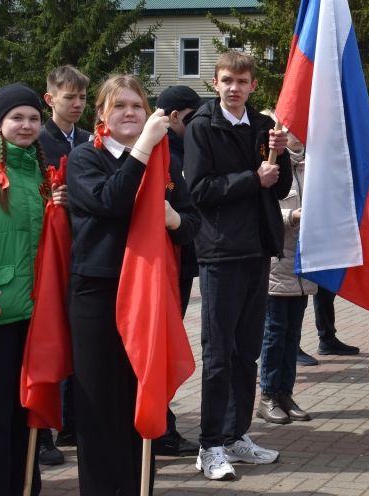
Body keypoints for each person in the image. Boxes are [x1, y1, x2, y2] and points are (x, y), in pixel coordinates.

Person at [67, 75, 199, 494]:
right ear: (101, 114)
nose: (129, 113)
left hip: (149, 294)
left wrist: (175, 220)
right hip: (99, 291)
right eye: (119, 106)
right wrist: (143, 147)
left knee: (139, 396)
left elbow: (192, 221)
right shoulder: (86, 159)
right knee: (99, 403)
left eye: (137, 106)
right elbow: (111, 199)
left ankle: (137, 485)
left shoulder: (165, 162)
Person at [184, 51, 292, 480]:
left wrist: (279, 158)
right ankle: (209, 445)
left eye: (242, 81)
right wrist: (253, 178)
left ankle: (235, 435)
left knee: (247, 352)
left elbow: (279, 188)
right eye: (227, 80)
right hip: (219, 252)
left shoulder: (264, 127)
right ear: (215, 83)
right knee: (219, 354)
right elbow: (199, 190)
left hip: (256, 249)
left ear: (253, 86)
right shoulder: (201, 127)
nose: (234, 87)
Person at [0, 83, 61, 496]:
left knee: (22, 419)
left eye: (34, 118)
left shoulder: (38, 168)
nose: (27, 125)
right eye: (17, 117)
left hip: (31, 315)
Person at [37, 65, 91, 463]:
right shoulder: (38, 140)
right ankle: (41, 433)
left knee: (76, 336)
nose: (76, 104)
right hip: (48, 250)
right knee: (48, 336)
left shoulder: (90, 140)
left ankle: (74, 421)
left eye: (82, 97)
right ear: (49, 98)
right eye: (69, 97)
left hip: (83, 249)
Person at [152, 84, 202, 457]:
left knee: (167, 346)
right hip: (156, 268)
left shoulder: (183, 148)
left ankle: (162, 424)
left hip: (180, 262)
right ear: (173, 117)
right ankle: (159, 428)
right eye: (191, 117)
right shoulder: (158, 149)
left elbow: (187, 212)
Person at [256, 121, 314, 426]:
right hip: (279, 262)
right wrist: (292, 216)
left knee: (293, 335)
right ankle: (267, 396)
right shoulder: (273, 163)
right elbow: (261, 210)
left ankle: (285, 393)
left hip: (306, 266)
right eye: (293, 128)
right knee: (274, 334)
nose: (299, 134)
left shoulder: (315, 165)